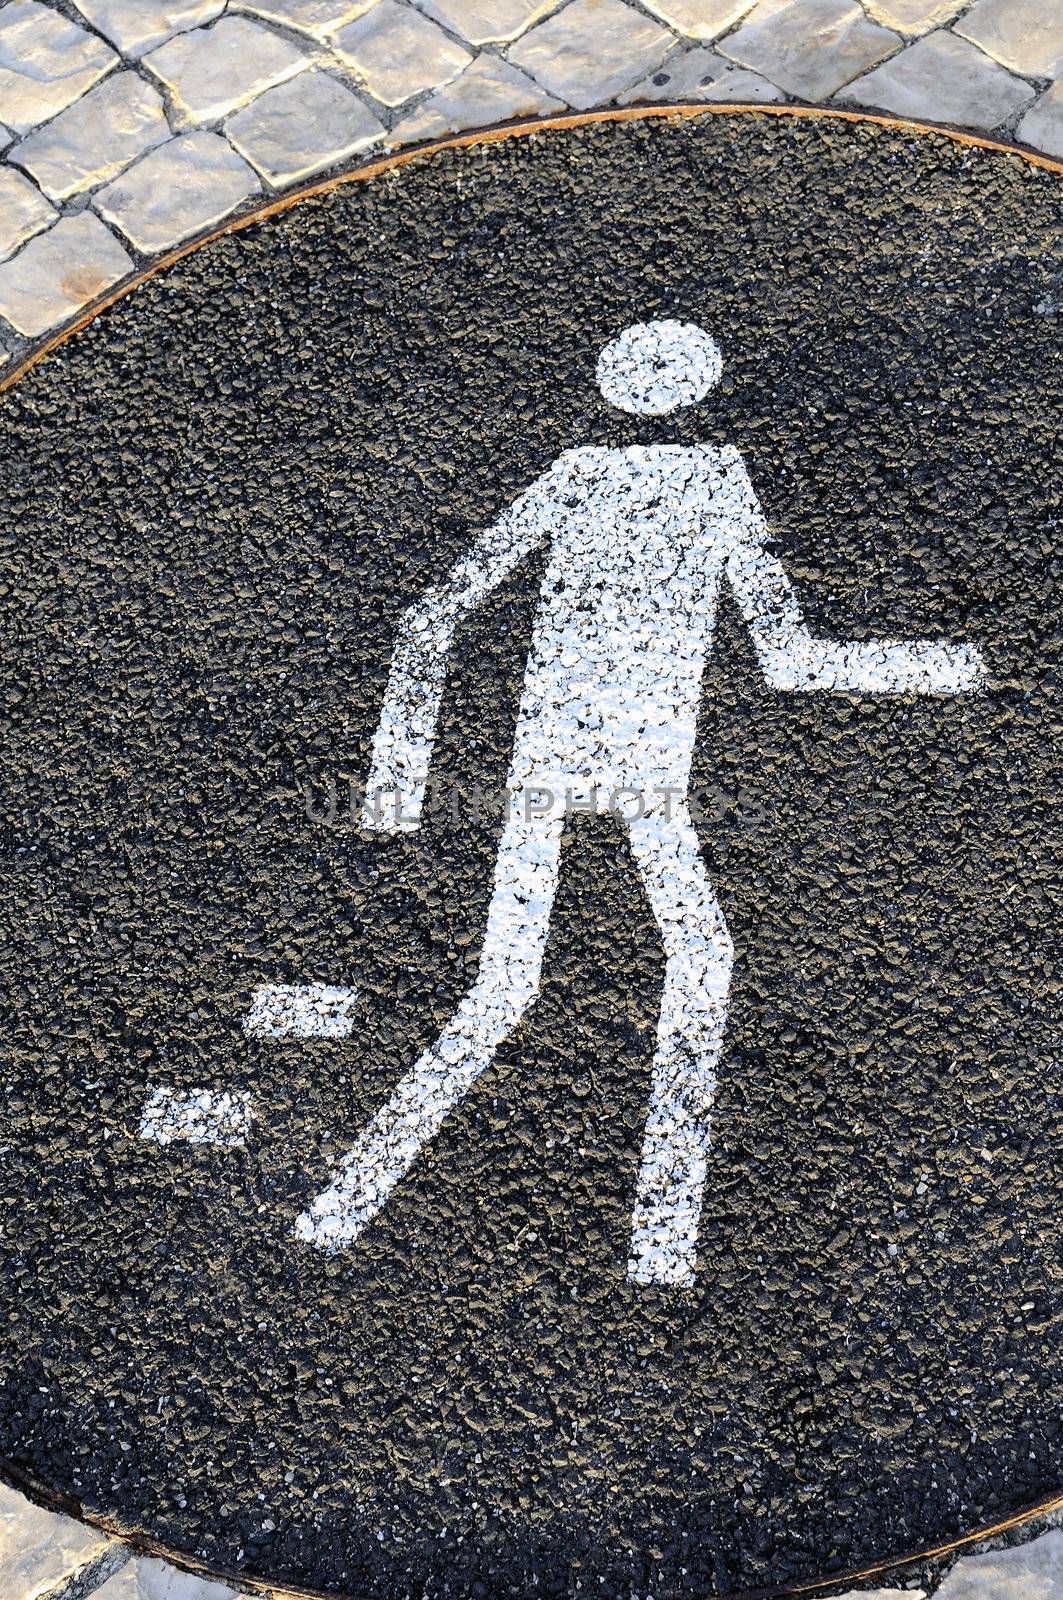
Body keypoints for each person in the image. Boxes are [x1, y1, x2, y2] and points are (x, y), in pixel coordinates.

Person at [296, 320, 984, 1287]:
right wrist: (937, 667)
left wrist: (397, 786)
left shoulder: (574, 473)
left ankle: (345, 1200)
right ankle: (661, 1226)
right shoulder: (711, 479)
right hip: (643, 758)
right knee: (694, 963)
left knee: (504, 987)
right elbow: (786, 654)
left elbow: (434, 615)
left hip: (545, 756)